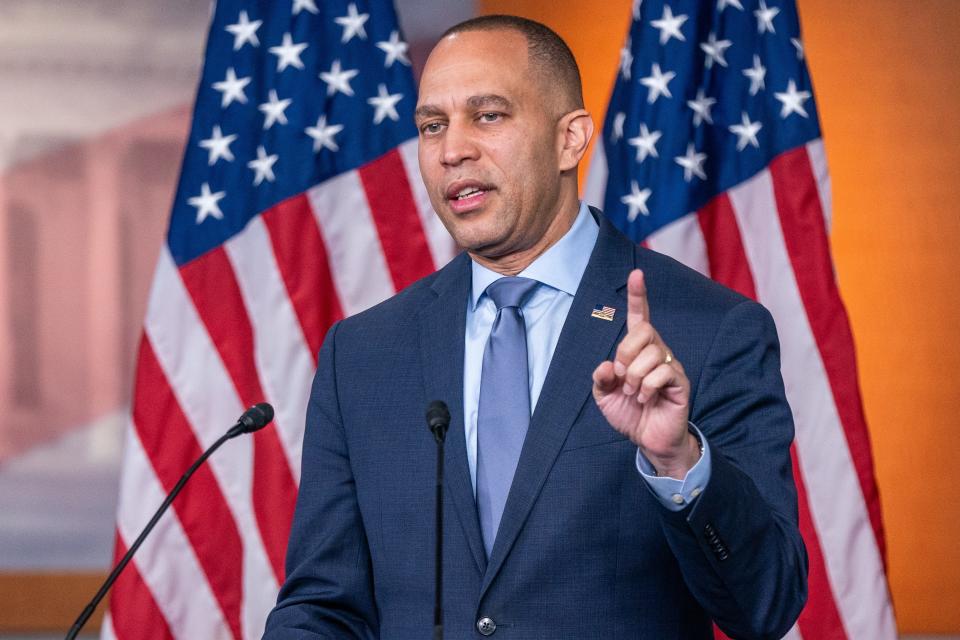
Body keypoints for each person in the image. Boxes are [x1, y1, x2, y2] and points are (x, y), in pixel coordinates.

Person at [264, 15, 806, 640]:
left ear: (570, 140)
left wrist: (678, 460)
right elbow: (323, 606)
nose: (451, 150)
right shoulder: (362, 354)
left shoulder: (708, 330)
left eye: (488, 115)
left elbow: (765, 606)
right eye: (432, 126)